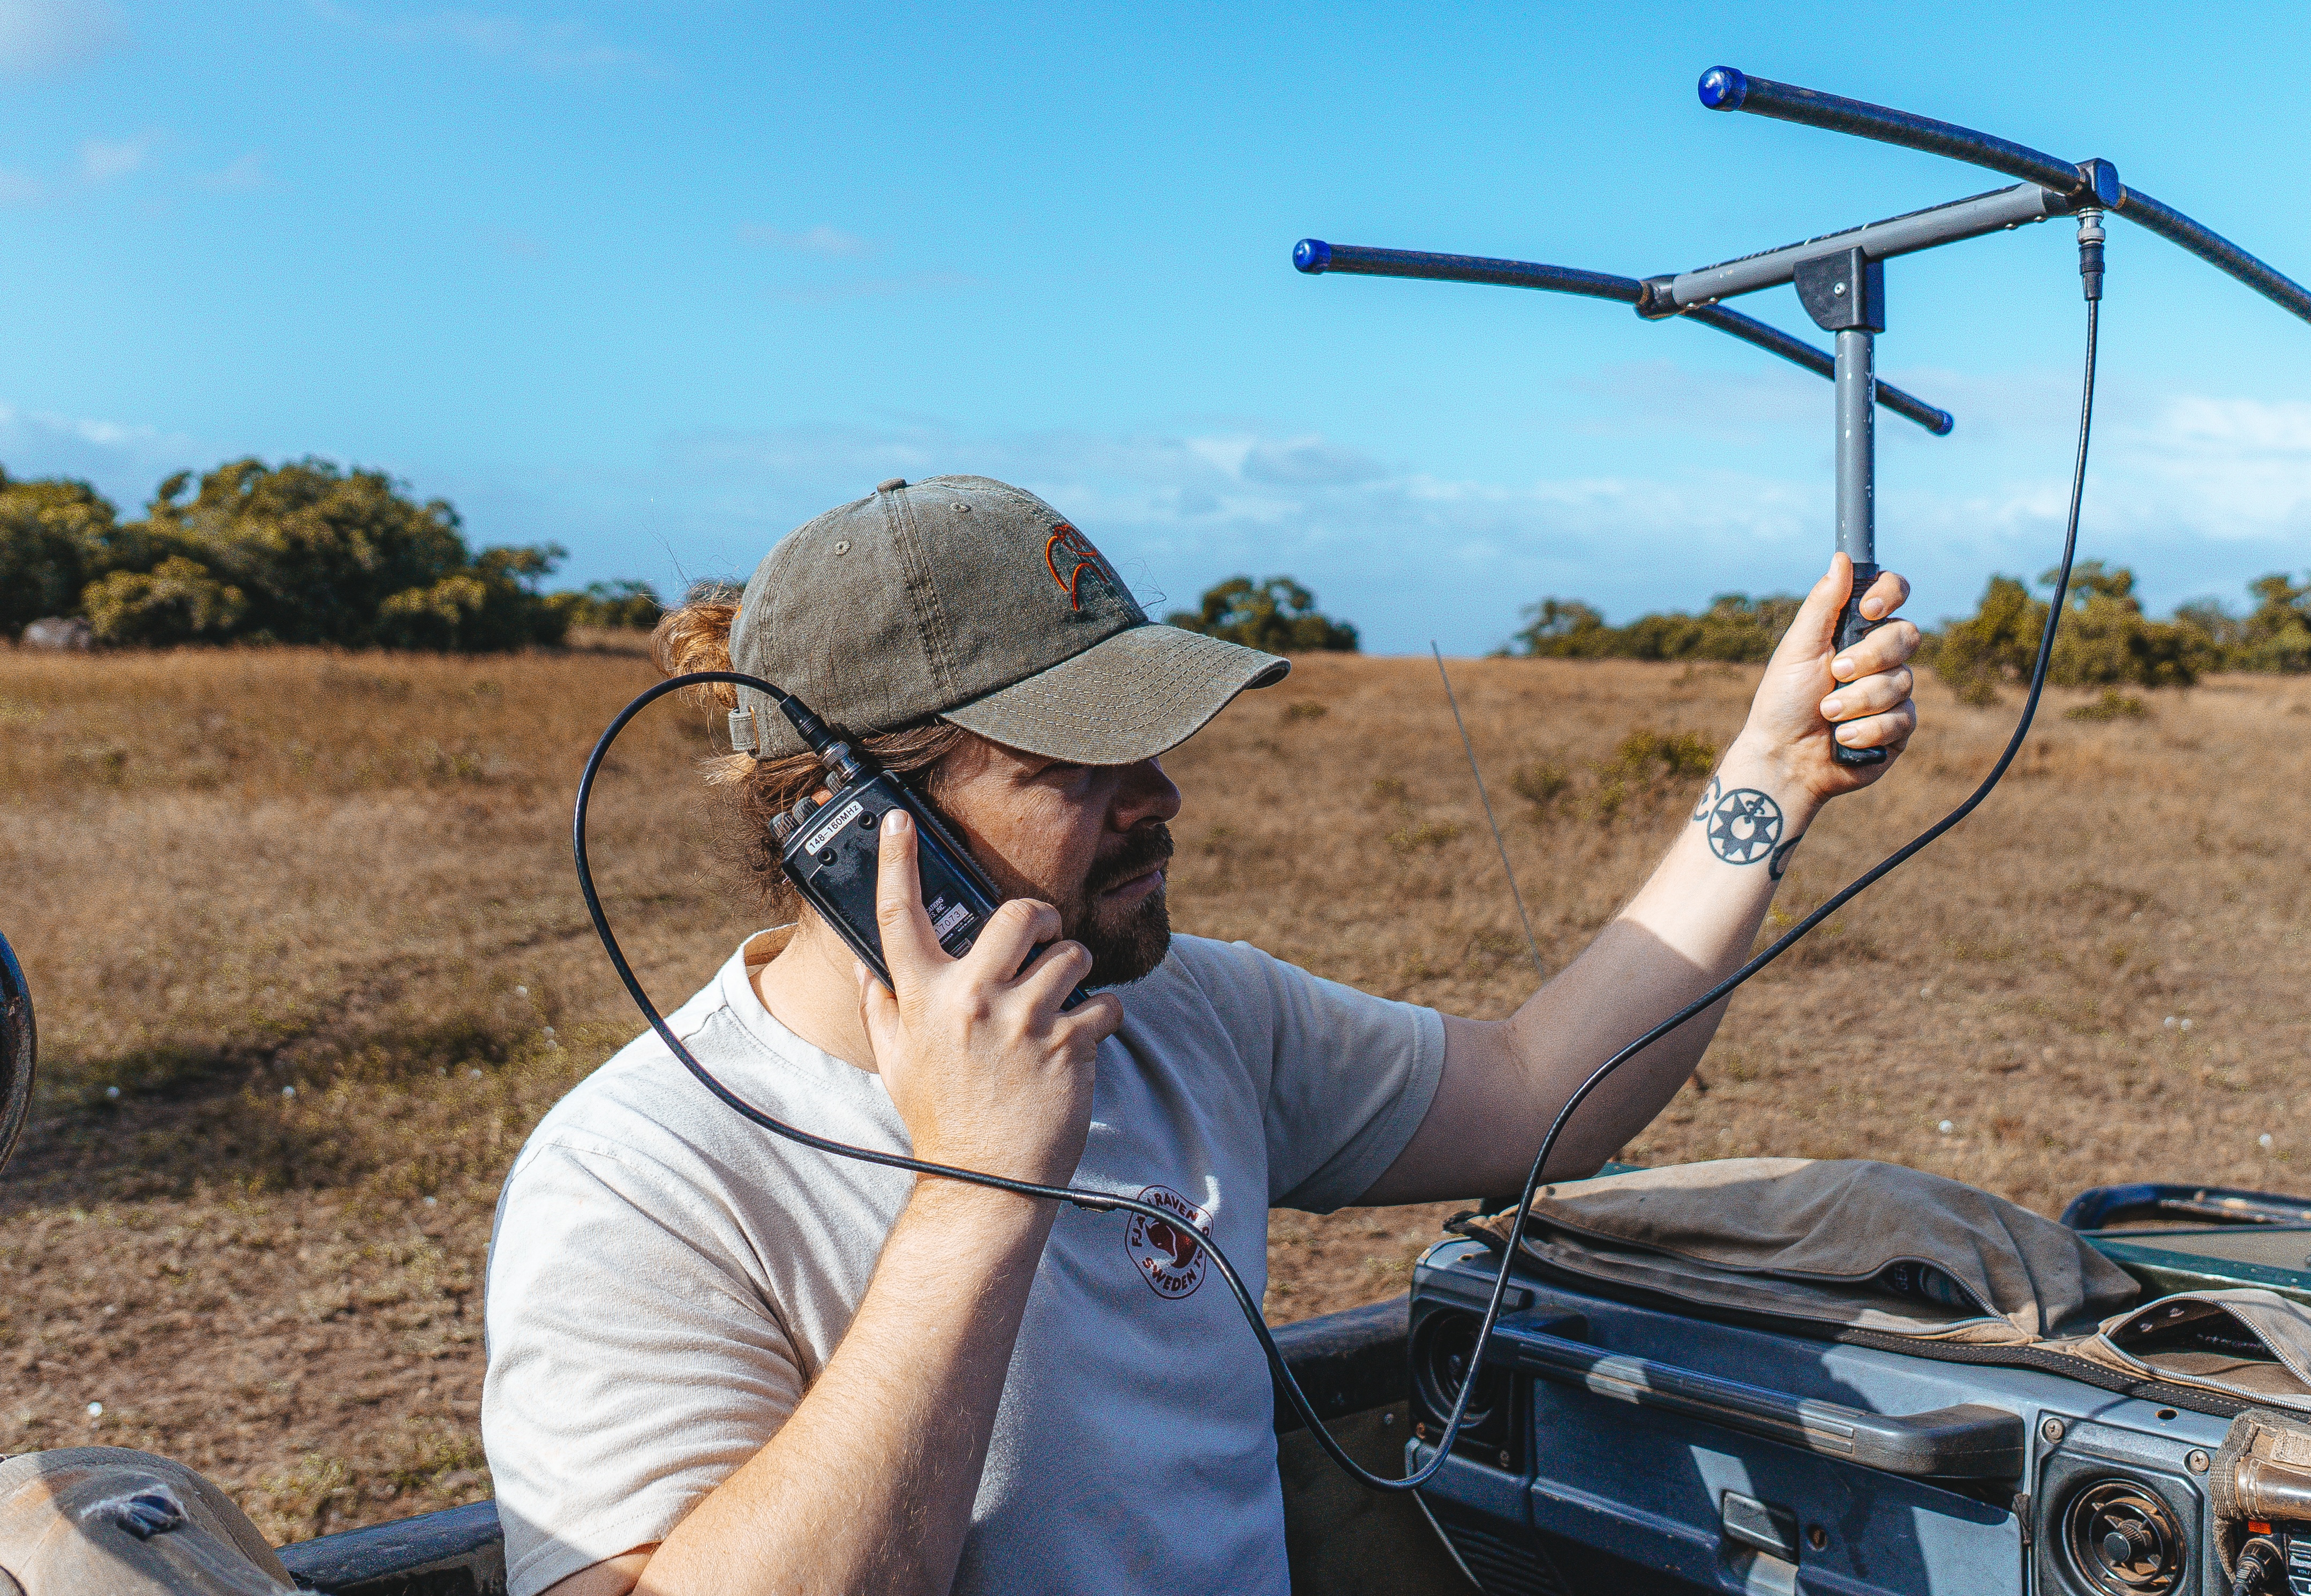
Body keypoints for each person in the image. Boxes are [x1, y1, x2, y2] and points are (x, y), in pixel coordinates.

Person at [481, 475, 1919, 1596]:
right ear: (851, 827)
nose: (1159, 789)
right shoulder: (638, 1177)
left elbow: (1545, 1088)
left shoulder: (1190, 1013)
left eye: (1151, 738)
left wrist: (1769, 778)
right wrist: (976, 1187)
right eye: (1075, 762)